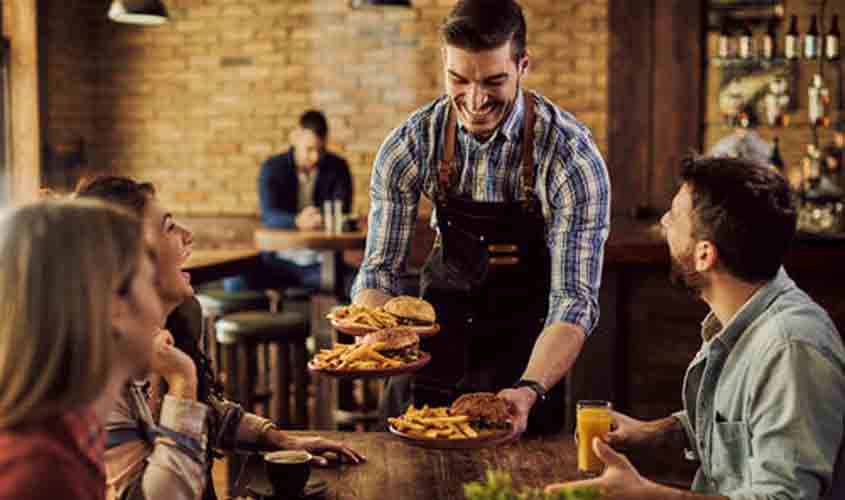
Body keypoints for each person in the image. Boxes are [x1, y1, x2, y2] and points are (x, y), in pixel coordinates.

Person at [351, 0, 611, 437]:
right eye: (459, 79)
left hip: (527, 366)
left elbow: (574, 301)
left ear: (523, 65)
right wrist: (377, 337)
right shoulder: (410, 145)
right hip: (430, 360)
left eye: (494, 81)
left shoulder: (570, 157)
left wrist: (529, 389)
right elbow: (379, 273)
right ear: (444, 63)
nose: (474, 100)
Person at [546, 157, 845, 500]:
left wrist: (647, 496)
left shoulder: (790, 350)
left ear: (704, 255)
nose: (663, 222)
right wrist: (655, 432)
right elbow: (737, 424)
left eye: (674, 216)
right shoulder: (742, 318)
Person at [76, 176, 364, 500]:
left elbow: (206, 413)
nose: (188, 236)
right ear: (130, 257)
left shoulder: (176, 324)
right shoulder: (98, 375)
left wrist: (278, 438)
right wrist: (182, 381)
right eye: (170, 227)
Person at [0, 200, 162, 500]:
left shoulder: (67, 439)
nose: (159, 309)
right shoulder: (40, 476)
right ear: (115, 305)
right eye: (152, 283)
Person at [225, 110, 355, 294]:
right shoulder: (272, 168)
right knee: (234, 282)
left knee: (362, 285)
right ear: (295, 138)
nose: (316, 157)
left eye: (321, 150)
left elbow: (341, 212)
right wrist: (297, 221)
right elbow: (269, 215)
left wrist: (321, 219)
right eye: (309, 149)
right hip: (278, 262)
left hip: (322, 264)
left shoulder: (338, 167)